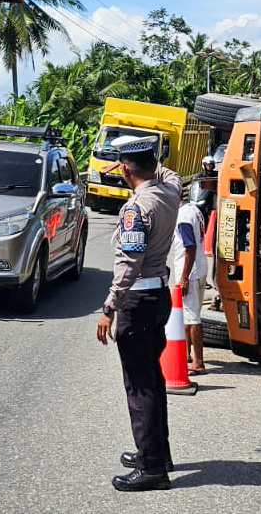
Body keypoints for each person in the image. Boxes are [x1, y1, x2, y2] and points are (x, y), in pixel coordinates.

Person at [95, 134, 182, 492]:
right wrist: (144, 160)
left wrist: (109, 307)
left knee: (140, 385)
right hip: (158, 297)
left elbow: (128, 265)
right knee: (152, 379)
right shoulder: (170, 193)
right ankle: (157, 453)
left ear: (127, 169)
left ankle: (152, 469)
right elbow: (172, 175)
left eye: (123, 166)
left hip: (137, 301)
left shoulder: (136, 208)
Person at [170, 197, 208, 374]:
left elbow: (190, 247)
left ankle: (198, 363)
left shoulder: (182, 217)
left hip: (190, 273)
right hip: (199, 267)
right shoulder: (194, 210)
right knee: (187, 314)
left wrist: (184, 277)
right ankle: (185, 355)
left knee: (192, 318)